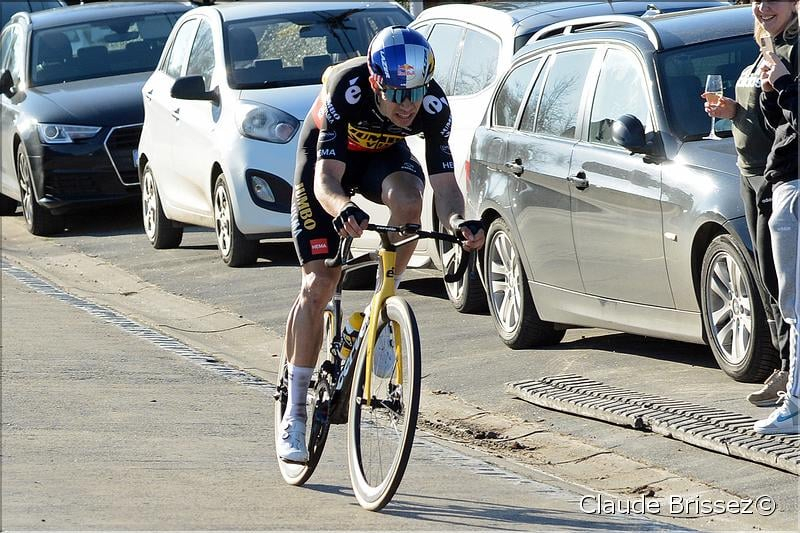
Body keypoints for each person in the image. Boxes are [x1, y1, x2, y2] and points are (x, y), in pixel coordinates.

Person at [278, 26, 485, 463]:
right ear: (375, 83)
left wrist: (458, 220)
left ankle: (381, 308)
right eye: (397, 94)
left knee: (410, 201)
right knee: (319, 284)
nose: (408, 105)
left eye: (416, 92)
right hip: (326, 160)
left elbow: (444, 186)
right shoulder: (346, 89)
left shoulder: (431, 106)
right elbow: (326, 180)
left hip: (382, 158)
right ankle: (295, 410)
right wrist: (342, 209)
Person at [702, 0, 793, 405]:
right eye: (757, 0)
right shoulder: (765, 49)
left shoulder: (789, 53)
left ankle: (792, 377)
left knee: (786, 283)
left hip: (780, 177)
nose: (763, 7)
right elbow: (771, 117)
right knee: (770, 278)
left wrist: (786, 86)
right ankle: (787, 368)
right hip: (753, 172)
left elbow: (785, 125)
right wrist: (734, 111)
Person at [753, 1, 798, 435]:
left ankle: (796, 404)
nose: (763, 7)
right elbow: (784, 126)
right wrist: (772, 94)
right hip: (782, 181)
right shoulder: (779, 47)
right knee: (790, 300)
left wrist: (784, 87)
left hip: (795, 186)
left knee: (796, 304)